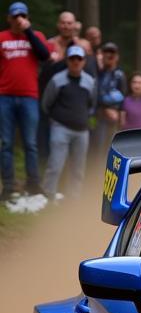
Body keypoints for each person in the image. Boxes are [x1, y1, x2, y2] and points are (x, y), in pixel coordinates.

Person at [0, 1, 51, 203]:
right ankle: (9, 187)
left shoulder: (35, 36)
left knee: (30, 143)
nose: (18, 19)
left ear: (27, 17)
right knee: (6, 144)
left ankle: (33, 184)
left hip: (29, 96)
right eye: (15, 16)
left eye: (22, 16)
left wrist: (28, 31)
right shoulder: (2, 38)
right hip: (5, 97)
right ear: (9, 19)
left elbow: (45, 55)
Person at [41, 44, 96, 201]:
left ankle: (74, 199)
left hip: (82, 130)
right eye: (72, 58)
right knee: (55, 164)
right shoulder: (57, 80)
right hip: (60, 128)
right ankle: (48, 194)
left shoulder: (89, 81)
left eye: (79, 59)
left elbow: (92, 103)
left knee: (78, 168)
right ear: (67, 60)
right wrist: (56, 118)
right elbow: (46, 103)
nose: (76, 62)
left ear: (84, 61)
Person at [93, 41, 126, 158]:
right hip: (98, 117)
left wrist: (120, 115)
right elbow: (94, 95)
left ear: (117, 56)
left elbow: (123, 98)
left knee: (111, 148)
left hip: (113, 119)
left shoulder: (119, 75)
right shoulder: (97, 72)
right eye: (106, 52)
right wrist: (105, 108)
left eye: (112, 52)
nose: (109, 55)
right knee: (97, 147)